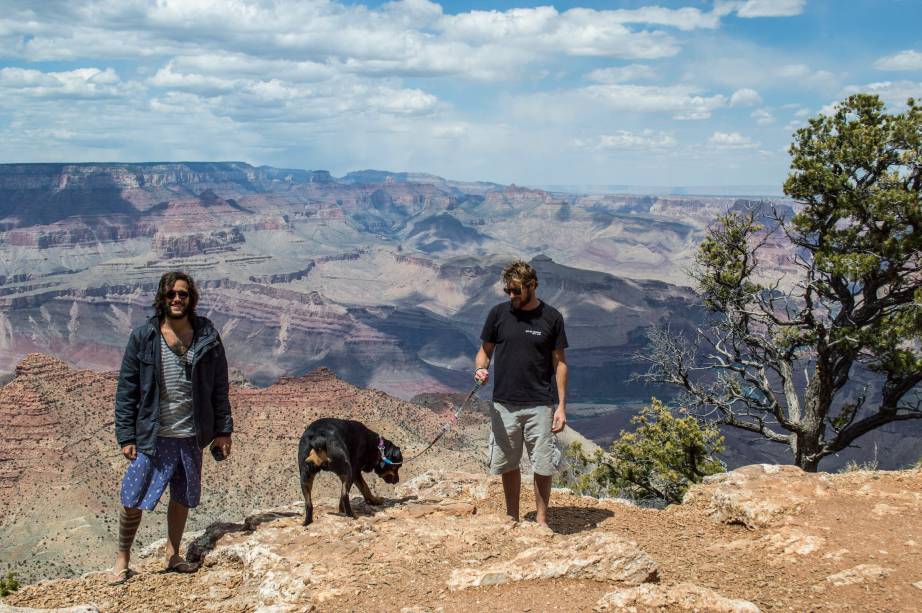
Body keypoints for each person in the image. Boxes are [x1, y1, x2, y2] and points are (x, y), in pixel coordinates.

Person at [108, 271, 233, 584]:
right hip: (153, 435)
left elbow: (220, 385)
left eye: (183, 294)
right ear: (161, 298)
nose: (177, 299)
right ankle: (122, 559)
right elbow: (127, 389)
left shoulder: (206, 334)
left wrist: (223, 430)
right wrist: (126, 436)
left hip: (191, 434)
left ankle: (172, 553)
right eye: (171, 294)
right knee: (132, 496)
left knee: (182, 495)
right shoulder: (144, 337)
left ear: (191, 298)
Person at [474, 260, 568, 528]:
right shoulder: (498, 314)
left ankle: (541, 521)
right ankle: (512, 517)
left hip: (540, 402)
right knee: (508, 462)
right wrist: (480, 369)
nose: (512, 296)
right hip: (504, 403)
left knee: (543, 464)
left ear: (532, 286)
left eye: (516, 291)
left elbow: (559, 363)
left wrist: (561, 406)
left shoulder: (552, 318)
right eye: (508, 291)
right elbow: (485, 350)